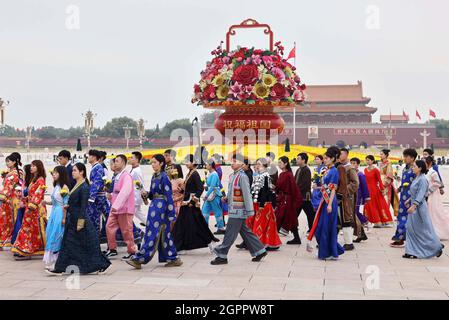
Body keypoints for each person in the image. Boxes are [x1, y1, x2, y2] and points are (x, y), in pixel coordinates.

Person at [47, 163, 111, 275]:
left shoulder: (84, 187)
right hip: (72, 219)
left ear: (81, 172)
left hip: (79, 220)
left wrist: (80, 223)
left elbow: (83, 207)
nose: (72, 172)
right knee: (69, 245)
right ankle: (60, 267)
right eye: (72, 171)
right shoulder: (77, 185)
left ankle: (101, 264)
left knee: (86, 244)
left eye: (75, 170)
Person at [126, 154, 183, 269]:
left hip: (162, 209)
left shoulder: (164, 177)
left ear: (161, 164)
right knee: (164, 234)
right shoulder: (154, 176)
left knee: (152, 233)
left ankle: (140, 259)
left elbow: (168, 196)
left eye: (155, 162)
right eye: (151, 163)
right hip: (154, 207)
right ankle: (173, 258)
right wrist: (146, 194)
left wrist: (171, 214)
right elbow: (152, 194)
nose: (152, 165)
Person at [211, 154, 267, 265]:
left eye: (235, 161)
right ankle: (260, 251)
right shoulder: (233, 176)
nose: (232, 163)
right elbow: (234, 192)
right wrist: (227, 198)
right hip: (234, 208)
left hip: (239, 210)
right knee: (246, 232)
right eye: (232, 161)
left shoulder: (243, 176)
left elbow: (246, 194)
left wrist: (250, 210)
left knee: (230, 233)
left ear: (242, 164)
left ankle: (222, 255)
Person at [173, 155, 219, 253]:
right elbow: (189, 188)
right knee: (183, 224)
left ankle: (210, 241)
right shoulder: (190, 173)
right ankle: (181, 246)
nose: (186, 164)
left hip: (190, 204)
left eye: (187, 161)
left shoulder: (195, 174)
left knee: (196, 225)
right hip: (186, 203)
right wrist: (181, 190)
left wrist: (193, 200)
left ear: (193, 162)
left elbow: (200, 188)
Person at [307, 148, 345, 260]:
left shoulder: (334, 171)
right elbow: (326, 186)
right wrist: (318, 187)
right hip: (324, 200)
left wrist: (329, 205)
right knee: (320, 227)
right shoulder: (327, 170)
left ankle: (328, 252)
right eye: (324, 158)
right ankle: (333, 249)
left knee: (326, 227)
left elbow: (333, 188)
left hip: (329, 201)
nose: (325, 160)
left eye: (327, 158)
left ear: (333, 159)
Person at [237, 157, 281, 251]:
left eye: (259, 164)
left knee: (259, 224)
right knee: (253, 223)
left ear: (264, 165)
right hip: (257, 203)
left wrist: (261, 205)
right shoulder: (259, 175)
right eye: (256, 164)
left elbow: (265, 191)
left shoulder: (265, 176)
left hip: (263, 204)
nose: (257, 166)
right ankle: (252, 243)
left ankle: (258, 244)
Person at [403, 160, 444, 259]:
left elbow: (422, 194)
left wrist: (413, 205)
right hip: (414, 205)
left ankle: (436, 247)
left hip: (419, 208)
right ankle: (410, 250)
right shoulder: (416, 178)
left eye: (414, 166)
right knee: (410, 228)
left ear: (420, 168)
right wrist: (409, 200)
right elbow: (416, 192)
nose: (412, 168)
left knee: (422, 230)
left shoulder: (423, 179)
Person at [11, 160, 47, 260]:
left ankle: (27, 249)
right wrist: (25, 200)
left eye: (34, 166)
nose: (31, 168)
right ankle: (24, 248)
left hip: (35, 209)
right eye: (31, 166)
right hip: (30, 207)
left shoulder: (40, 180)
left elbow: (38, 195)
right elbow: (31, 194)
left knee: (33, 230)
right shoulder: (34, 179)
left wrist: (31, 206)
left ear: (38, 167)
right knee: (27, 229)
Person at [104, 155, 137, 261]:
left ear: (123, 163)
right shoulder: (117, 176)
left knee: (127, 230)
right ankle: (112, 248)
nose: (115, 163)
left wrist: (116, 205)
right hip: (115, 207)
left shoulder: (126, 176)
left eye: (117, 161)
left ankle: (132, 251)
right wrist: (111, 197)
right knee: (109, 226)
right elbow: (117, 192)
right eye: (115, 161)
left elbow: (125, 192)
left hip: (124, 208)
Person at [43, 166, 69, 270]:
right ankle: (52, 260)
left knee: (57, 236)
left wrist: (64, 218)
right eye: (53, 173)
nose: (53, 175)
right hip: (54, 213)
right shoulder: (57, 186)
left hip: (60, 213)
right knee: (51, 234)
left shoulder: (64, 187)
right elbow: (55, 202)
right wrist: (46, 202)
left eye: (56, 173)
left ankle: (57, 261)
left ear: (61, 174)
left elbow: (66, 204)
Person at [391, 148, 418, 248]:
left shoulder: (415, 169)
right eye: (404, 156)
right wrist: (399, 188)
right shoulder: (405, 168)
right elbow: (404, 182)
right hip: (403, 196)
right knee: (401, 216)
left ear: (412, 158)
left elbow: (417, 183)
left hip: (411, 197)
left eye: (407, 157)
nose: (405, 158)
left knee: (410, 219)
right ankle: (400, 238)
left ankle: (405, 239)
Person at [275, 156, 303, 243]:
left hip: (287, 200)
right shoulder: (281, 174)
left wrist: (295, 201)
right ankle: (296, 238)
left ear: (286, 163)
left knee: (282, 218)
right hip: (282, 199)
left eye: (280, 162)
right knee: (286, 218)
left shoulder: (289, 175)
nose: (279, 164)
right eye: (278, 162)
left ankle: (274, 240)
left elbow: (294, 189)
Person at [336, 148, 360, 251]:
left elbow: (355, 183)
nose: (339, 156)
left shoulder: (350, 168)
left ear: (346, 155)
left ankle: (349, 242)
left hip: (347, 197)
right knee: (338, 218)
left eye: (340, 154)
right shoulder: (339, 167)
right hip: (339, 196)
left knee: (346, 218)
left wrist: (344, 190)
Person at [0, 153, 23, 249]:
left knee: (7, 219)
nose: (7, 163)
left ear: (14, 162)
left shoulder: (14, 174)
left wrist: (2, 196)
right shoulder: (12, 173)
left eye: (8, 161)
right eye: (6, 161)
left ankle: (7, 239)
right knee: (6, 219)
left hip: (10, 199)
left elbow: (8, 188)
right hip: (9, 198)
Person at [363, 155, 393, 228]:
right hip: (367, 189)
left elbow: (379, 180)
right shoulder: (365, 170)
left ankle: (382, 221)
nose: (367, 161)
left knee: (378, 205)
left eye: (369, 160)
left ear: (373, 161)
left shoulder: (376, 170)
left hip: (375, 190)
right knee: (369, 205)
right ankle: (369, 221)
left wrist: (383, 189)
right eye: (366, 160)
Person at [86, 149, 110, 235]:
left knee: (96, 218)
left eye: (89, 156)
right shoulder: (95, 167)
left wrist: (91, 197)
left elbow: (97, 182)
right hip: (97, 196)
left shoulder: (98, 167)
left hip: (98, 197)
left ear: (94, 157)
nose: (88, 158)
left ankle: (97, 238)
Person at [425, 156, 449, 240]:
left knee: (434, 212)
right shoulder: (427, 172)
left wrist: (428, 191)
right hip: (428, 195)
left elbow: (438, 183)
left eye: (425, 162)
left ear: (430, 163)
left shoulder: (433, 172)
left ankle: (438, 231)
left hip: (433, 195)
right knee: (429, 212)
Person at [202, 158, 226, 235]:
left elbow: (212, 187)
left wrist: (206, 195)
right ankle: (205, 228)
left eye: (206, 165)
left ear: (210, 166)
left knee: (217, 211)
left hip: (214, 195)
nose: (205, 166)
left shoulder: (214, 174)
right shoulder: (210, 174)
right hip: (210, 195)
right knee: (204, 212)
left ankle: (221, 228)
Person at [350, 157, 370, 243]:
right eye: (351, 163)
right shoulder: (350, 173)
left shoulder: (360, 174)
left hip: (358, 197)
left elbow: (364, 186)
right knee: (354, 215)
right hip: (350, 197)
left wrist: (366, 196)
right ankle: (361, 234)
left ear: (358, 164)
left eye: (354, 163)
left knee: (356, 214)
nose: (353, 165)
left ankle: (365, 221)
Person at [295, 153, 315, 235]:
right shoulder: (298, 169)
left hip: (304, 197)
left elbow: (305, 184)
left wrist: (296, 191)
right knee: (307, 213)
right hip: (299, 196)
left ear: (303, 160)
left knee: (310, 214)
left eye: (298, 158)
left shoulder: (306, 170)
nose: (297, 160)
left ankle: (312, 229)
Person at [12, 164, 31, 244]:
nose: (23, 173)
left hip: (26, 207)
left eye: (24, 172)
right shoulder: (25, 182)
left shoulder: (30, 183)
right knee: (19, 224)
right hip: (22, 206)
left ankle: (22, 244)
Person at [129, 151, 147, 227]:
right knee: (139, 214)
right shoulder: (134, 170)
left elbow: (140, 184)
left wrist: (144, 197)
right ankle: (150, 224)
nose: (130, 159)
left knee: (129, 217)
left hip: (135, 198)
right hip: (134, 197)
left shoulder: (137, 171)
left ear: (137, 160)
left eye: (132, 157)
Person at [379, 149, 399, 217]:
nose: (380, 155)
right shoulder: (381, 163)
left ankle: (386, 218)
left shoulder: (388, 163)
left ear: (386, 155)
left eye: (382, 154)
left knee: (386, 200)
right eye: (380, 154)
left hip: (386, 185)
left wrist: (384, 184)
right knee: (381, 201)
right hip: (381, 183)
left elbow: (389, 175)